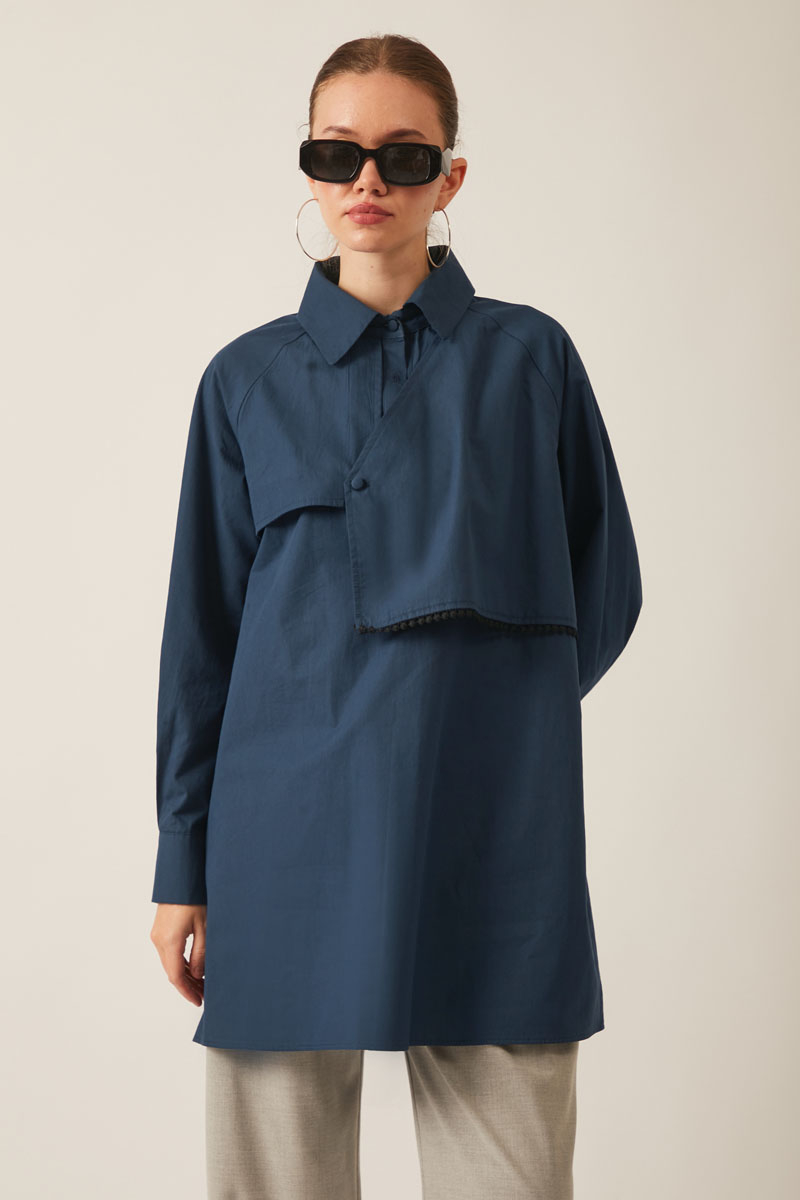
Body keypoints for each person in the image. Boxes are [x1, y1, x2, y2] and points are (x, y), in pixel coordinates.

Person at [149, 32, 642, 1200]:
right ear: (309, 171)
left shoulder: (530, 359)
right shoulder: (244, 381)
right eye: (338, 152)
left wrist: (495, 711)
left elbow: (603, 581)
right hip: (281, 832)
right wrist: (182, 865)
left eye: (402, 155)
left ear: (448, 176)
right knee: (276, 1181)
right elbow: (201, 641)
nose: (366, 179)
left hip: (495, 824)